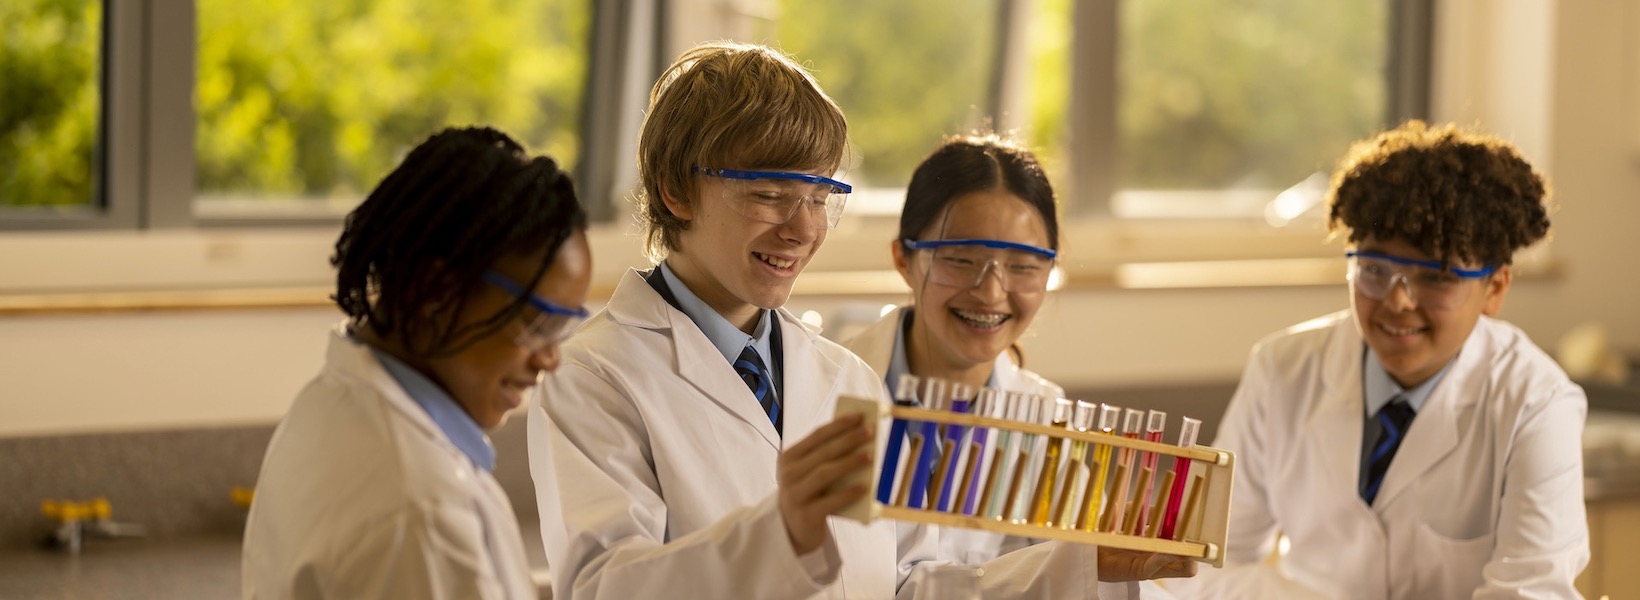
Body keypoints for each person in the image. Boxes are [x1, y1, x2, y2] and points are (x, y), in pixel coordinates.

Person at [528, 42, 1125, 599]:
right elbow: (603, 587)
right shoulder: (595, 375)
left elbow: (910, 583)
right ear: (677, 191)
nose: (804, 229)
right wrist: (780, 534)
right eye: (770, 194)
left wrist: (1090, 564)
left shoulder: (849, 379)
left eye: (819, 197)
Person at [1168, 121, 1588, 599]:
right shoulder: (1282, 368)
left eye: (1435, 277)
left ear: (1495, 287)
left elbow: (1530, 591)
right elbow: (1201, 562)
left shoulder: (1536, 402)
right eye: (1374, 269)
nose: (1398, 301)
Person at [243, 126, 593, 599]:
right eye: (538, 323)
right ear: (436, 292)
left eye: (564, 329)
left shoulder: (334, 403)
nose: (551, 360)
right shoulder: (423, 510)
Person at [843, 133, 1195, 587]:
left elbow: (1070, 582)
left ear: (1051, 271)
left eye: (1024, 266)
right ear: (903, 259)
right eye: (960, 260)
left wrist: (1102, 565)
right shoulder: (832, 391)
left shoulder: (1047, 421)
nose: (991, 292)